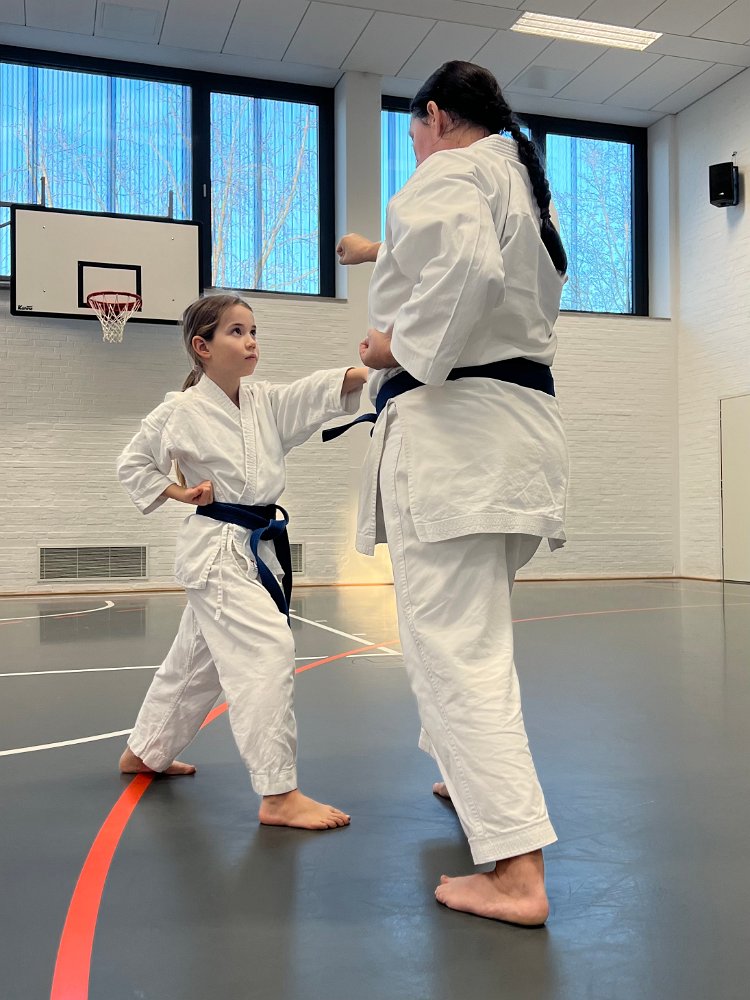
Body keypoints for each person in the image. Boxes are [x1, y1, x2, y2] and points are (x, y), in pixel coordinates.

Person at [336, 61, 569, 920]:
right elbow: (481, 267)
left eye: (413, 135)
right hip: (514, 443)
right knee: (473, 637)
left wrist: (391, 348)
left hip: (457, 446)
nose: (416, 151)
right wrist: (382, 252)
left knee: (455, 654)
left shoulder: (451, 173)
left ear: (434, 116)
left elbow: (467, 270)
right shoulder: (523, 186)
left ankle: (515, 871)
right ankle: (466, 779)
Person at [117, 293, 367, 830]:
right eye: (236, 332)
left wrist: (372, 368)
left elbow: (315, 391)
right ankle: (278, 793)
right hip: (217, 550)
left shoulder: (263, 401)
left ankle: (145, 751)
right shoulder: (180, 410)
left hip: (253, 547)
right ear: (202, 347)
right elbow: (133, 464)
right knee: (267, 651)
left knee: (195, 663)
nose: (251, 341)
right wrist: (179, 493)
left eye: (253, 331)